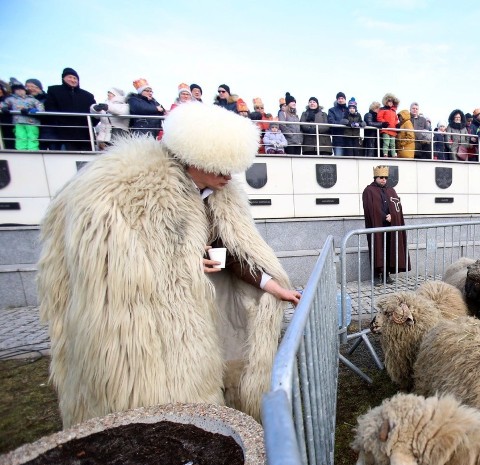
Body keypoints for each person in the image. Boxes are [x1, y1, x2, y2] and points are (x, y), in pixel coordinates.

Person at [37, 102, 301, 428]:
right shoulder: (135, 190)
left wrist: (271, 284)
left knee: (217, 371)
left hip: (205, 307)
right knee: (160, 397)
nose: (228, 177)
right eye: (220, 168)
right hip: (155, 324)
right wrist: (184, 261)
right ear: (195, 159)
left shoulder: (219, 193)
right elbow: (123, 267)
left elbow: (229, 250)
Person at [362, 165, 409, 285]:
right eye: (381, 177)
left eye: (385, 178)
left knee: (389, 248)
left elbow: (398, 207)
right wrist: (383, 217)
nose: (384, 180)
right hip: (376, 225)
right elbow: (370, 209)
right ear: (375, 177)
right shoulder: (369, 191)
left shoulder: (391, 190)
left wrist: (393, 216)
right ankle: (377, 275)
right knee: (377, 249)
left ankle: (387, 274)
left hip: (390, 226)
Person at [43, 67, 96, 150]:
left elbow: (94, 113)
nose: (72, 80)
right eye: (69, 77)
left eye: (75, 78)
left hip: (84, 135)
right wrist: (59, 124)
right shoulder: (54, 90)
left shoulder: (88, 96)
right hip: (63, 134)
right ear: (63, 78)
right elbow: (50, 109)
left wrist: (91, 123)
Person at [0, 79, 44, 150]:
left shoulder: (32, 99)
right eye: (17, 89)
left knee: (32, 137)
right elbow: (3, 104)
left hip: (32, 122)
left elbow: (40, 108)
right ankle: (21, 150)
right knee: (20, 137)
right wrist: (4, 108)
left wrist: (31, 110)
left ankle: (33, 150)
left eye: (21, 89)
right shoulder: (11, 99)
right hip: (18, 122)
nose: (19, 91)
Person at [377, 93, 399, 158]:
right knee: (386, 142)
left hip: (393, 130)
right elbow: (379, 117)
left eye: (392, 101)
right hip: (386, 129)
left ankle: (393, 154)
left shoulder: (394, 111)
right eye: (389, 101)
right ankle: (385, 153)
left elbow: (396, 119)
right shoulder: (382, 109)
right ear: (386, 101)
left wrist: (397, 125)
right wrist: (384, 123)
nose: (390, 103)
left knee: (392, 143)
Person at [327, 91, 349, 157]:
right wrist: (341, 122)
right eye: (339, 98)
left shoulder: (350, 109)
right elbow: (331, 122)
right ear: (337, 100)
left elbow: (356, 119)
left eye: (342, 98)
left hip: (350, 140)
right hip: (338, 140)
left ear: (345, 99)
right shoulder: (332, 110)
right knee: (339, 161)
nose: (340, 100)